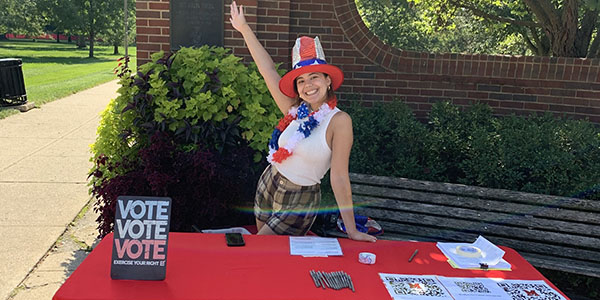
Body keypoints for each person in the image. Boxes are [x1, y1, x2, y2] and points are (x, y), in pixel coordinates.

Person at [230, 1, 376, 242]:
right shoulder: (296, 110)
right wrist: (244, 28)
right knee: (267, 260)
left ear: (328, 80)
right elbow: (268, 71)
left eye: (315, 77)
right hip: (269, 181)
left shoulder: (339, 121)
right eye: (301, 80)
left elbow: (339, 177)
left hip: (300, 197)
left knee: (261, 247)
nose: (308, 85)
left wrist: (351, 230)